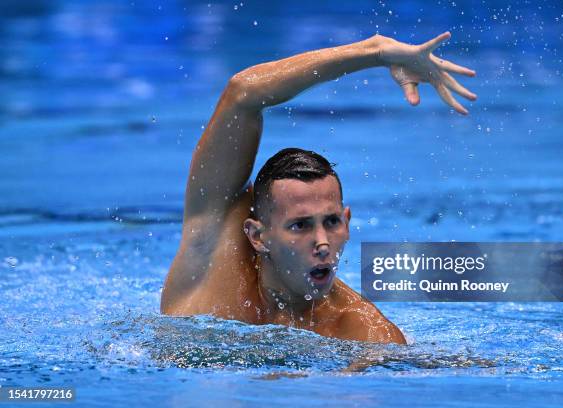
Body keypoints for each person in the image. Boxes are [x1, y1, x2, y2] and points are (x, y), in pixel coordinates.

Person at [160, 32, 476, 345]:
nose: (322, 243)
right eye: (300, 225)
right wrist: (376, 51)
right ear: (257, 236)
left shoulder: (366, 333)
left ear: (348, 222)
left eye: (332, 221)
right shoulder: (215, 249)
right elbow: (243, 92)